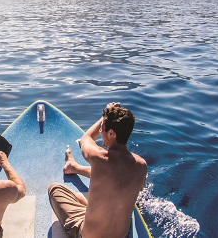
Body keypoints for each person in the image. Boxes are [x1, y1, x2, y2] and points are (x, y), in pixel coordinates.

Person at [48, 102, 147, 238]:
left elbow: (86, 139)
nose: (100, 131)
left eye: (102, 128)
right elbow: (113, 175)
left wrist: (104, 116)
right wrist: (77, 168)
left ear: (111, 133)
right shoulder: (141, 166)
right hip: (122, 235)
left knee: (55, 189)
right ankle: (74, 167)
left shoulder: (99, 158)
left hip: (88, 235)